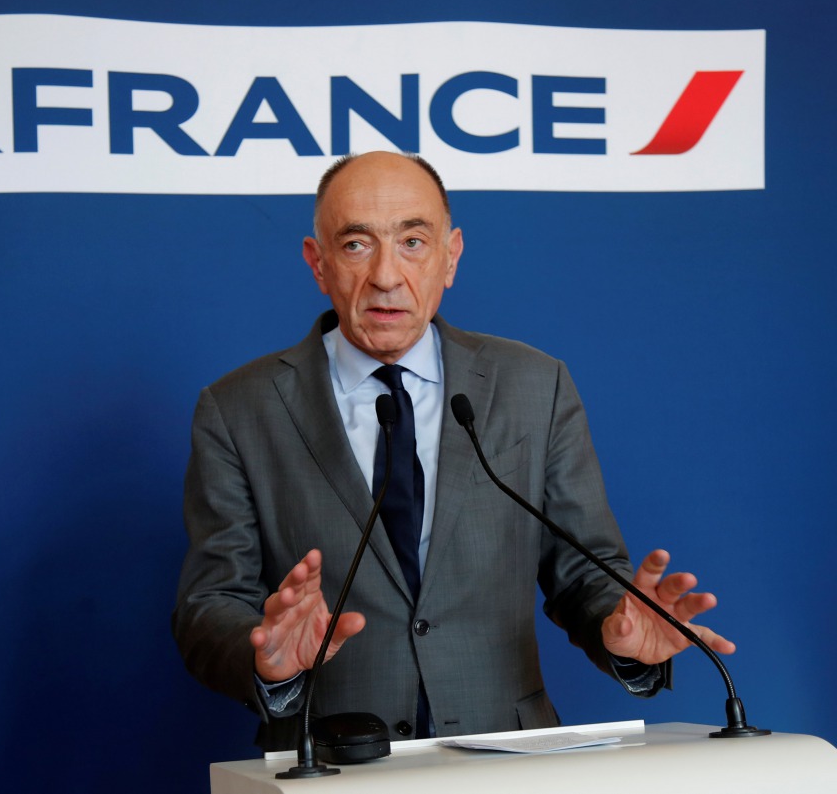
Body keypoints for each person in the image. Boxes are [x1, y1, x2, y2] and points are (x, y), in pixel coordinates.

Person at [171, 151, 734, 750]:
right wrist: (268, 659)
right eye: (357, 245)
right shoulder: (238, 409)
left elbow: (583, 574)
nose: (387, 275)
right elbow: (210, 605)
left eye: (413, 241)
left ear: (451, 256)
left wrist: (621, 636)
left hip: (508, 759)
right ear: (318, 262)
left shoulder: (534, 386)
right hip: (334, 758)